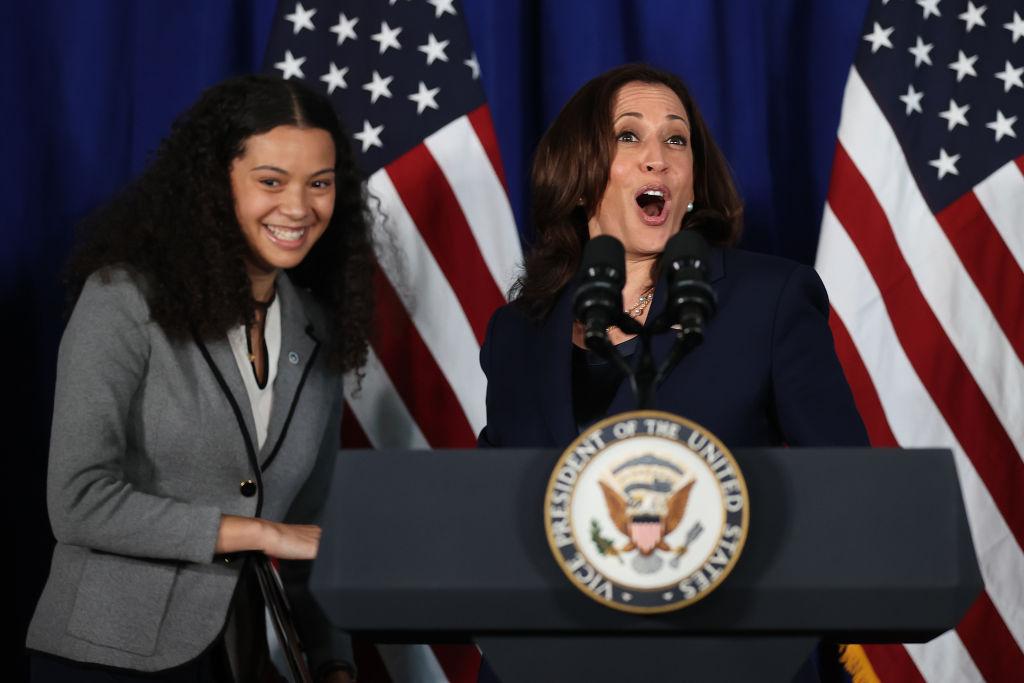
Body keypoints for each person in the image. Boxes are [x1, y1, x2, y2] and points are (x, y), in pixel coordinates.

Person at [26, 75, 373, 682]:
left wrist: (333, 663)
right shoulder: (123, 301)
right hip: (106, 658)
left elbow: (312, 529)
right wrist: (254, 532)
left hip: (248, 662)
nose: (298, 207)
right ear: (216, 186)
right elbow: (78, 502)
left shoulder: (317, 328)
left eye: (319, 183)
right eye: (271, 181)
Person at [479, 63, 867, 451]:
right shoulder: (515, 335)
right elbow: (492, 494)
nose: (658, 158)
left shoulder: (769, 301)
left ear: (693, 183)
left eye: (677, 140)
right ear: (577, 178)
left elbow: (844, 479)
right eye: (628, 135)